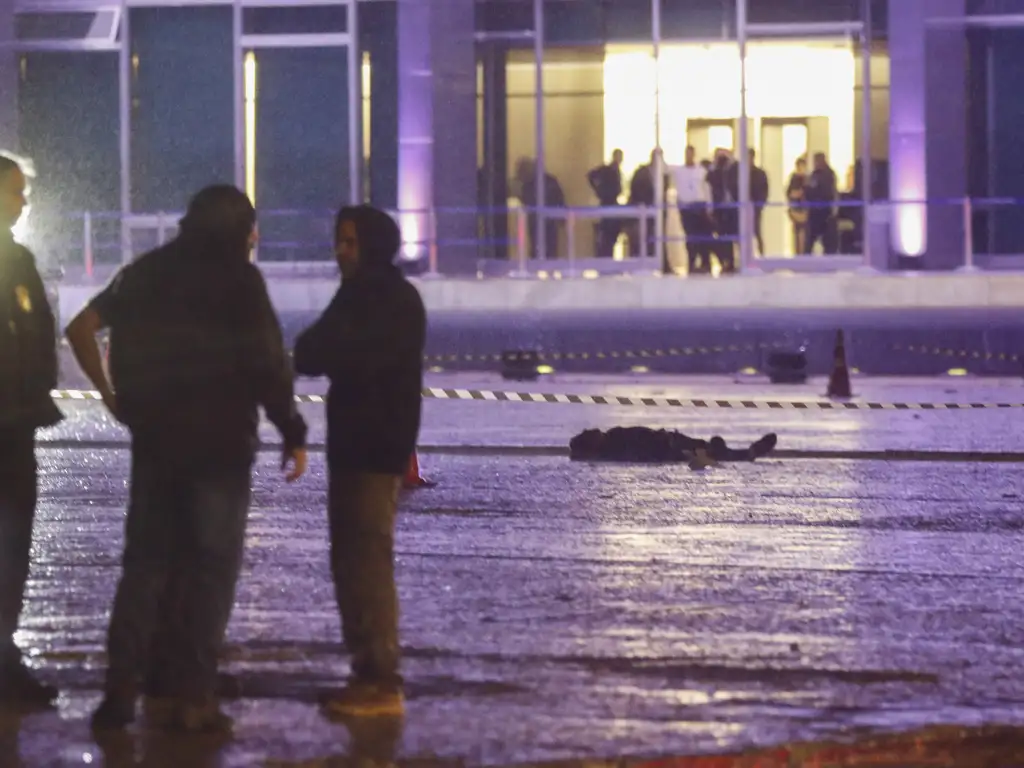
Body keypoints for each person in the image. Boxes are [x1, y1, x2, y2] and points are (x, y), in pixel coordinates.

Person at [65, 184, 308, 732]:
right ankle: (194, 697)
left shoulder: (146, 272)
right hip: (221, 448)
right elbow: (268, 361)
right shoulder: (241, 282)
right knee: (210, 570)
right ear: (238, 231)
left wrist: (110, 397)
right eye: (250, 227)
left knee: (145, 567)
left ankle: (121, 691)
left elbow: (80, 328)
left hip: (155, 442)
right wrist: (291, 429)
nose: (254, 238)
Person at [293, 205, 426, 718]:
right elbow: (317, 351)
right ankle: (368, 671)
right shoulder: (381, 295)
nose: (340, 251)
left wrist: (330, 349)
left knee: (364, 561)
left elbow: (318, 351)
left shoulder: (377, 298)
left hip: (370, 449)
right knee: (353, 560)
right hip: (363, 447)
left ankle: (379, 677)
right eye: (338, 240)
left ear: (370, 244)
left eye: (349, 242)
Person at [0, 154, 63, 708]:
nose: (24, 202)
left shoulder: (18, 259)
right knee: (10, 541)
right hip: (9, 426)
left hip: (16, 425)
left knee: (14, 546)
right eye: (16, 192)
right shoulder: (11, 262)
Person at [570, 427, 777, 465]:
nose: (591, 429)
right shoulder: (612, 447)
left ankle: (745, 453)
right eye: (587, 433)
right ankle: (747, 454)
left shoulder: (613, 436)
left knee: (708, 448)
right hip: (667, 447)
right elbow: (641, 448)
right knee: (711, 452)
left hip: (668, 440)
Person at [672, 145, 713, 275]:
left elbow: (706, 189)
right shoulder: (679, 171)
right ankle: (691, 263)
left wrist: (709, 207)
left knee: (703, 237)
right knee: (690, 238)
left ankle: (705, 263)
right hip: (686, 208)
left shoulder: (701, 171)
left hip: (700, 206)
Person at [587, 149, 624, 258]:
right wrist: (599, 190)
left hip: (613, 203)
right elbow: (591, 176)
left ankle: (609, 258)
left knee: (612, 236)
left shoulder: (616, 170)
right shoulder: (607, 169)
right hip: (607, 203)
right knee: (606, 236)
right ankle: (605, 258)